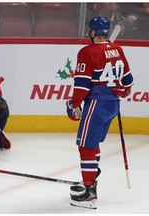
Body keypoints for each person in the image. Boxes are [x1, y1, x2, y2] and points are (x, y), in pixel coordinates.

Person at [66, 16, 134, 209]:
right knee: (92, 143)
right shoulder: (118, 49)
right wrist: (122, 91)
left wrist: (74, 104)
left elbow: (81, 85)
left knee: (86, 146)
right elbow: (128, 81)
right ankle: (91, 177)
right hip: (112, 105)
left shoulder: (87, 52)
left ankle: (89, 191)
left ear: (93, 32)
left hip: (96, 104)